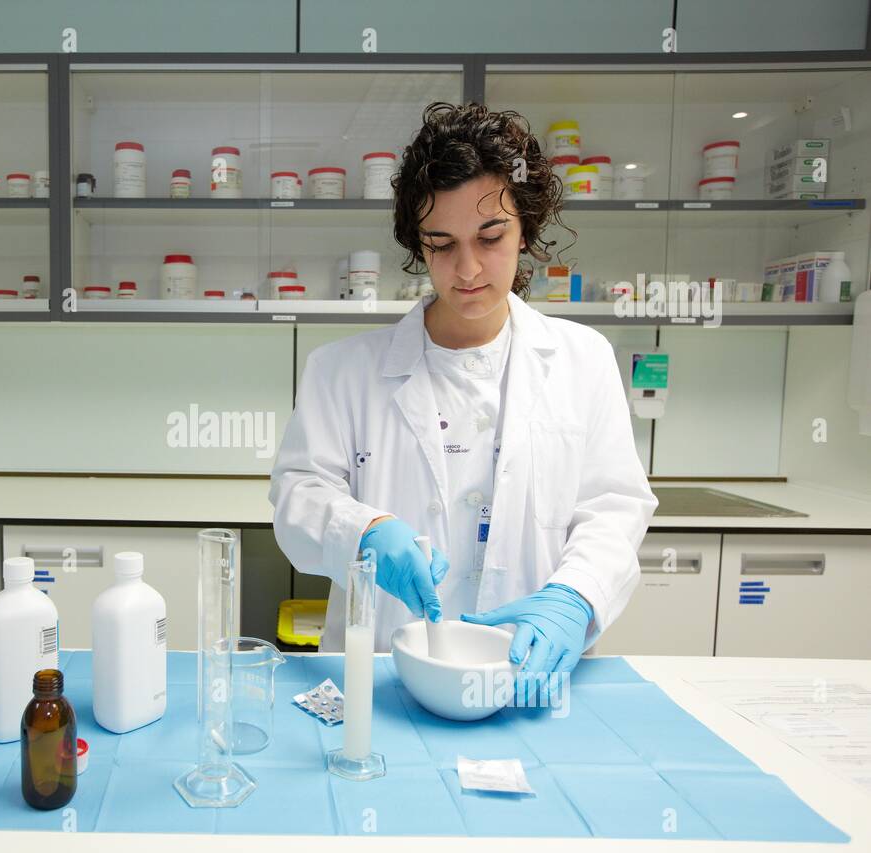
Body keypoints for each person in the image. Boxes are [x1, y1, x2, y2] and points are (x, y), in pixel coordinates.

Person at [269, 101, 657, 703]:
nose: (468, 268)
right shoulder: (340, 372)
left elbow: (614, 507)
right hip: (383, 684)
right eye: (442, 243)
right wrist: (364, 529)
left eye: (490, 236)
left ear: (525, 227)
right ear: (418, 245)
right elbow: (298, 499)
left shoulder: (583, 360)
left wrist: (574, 597)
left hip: (527, 679)